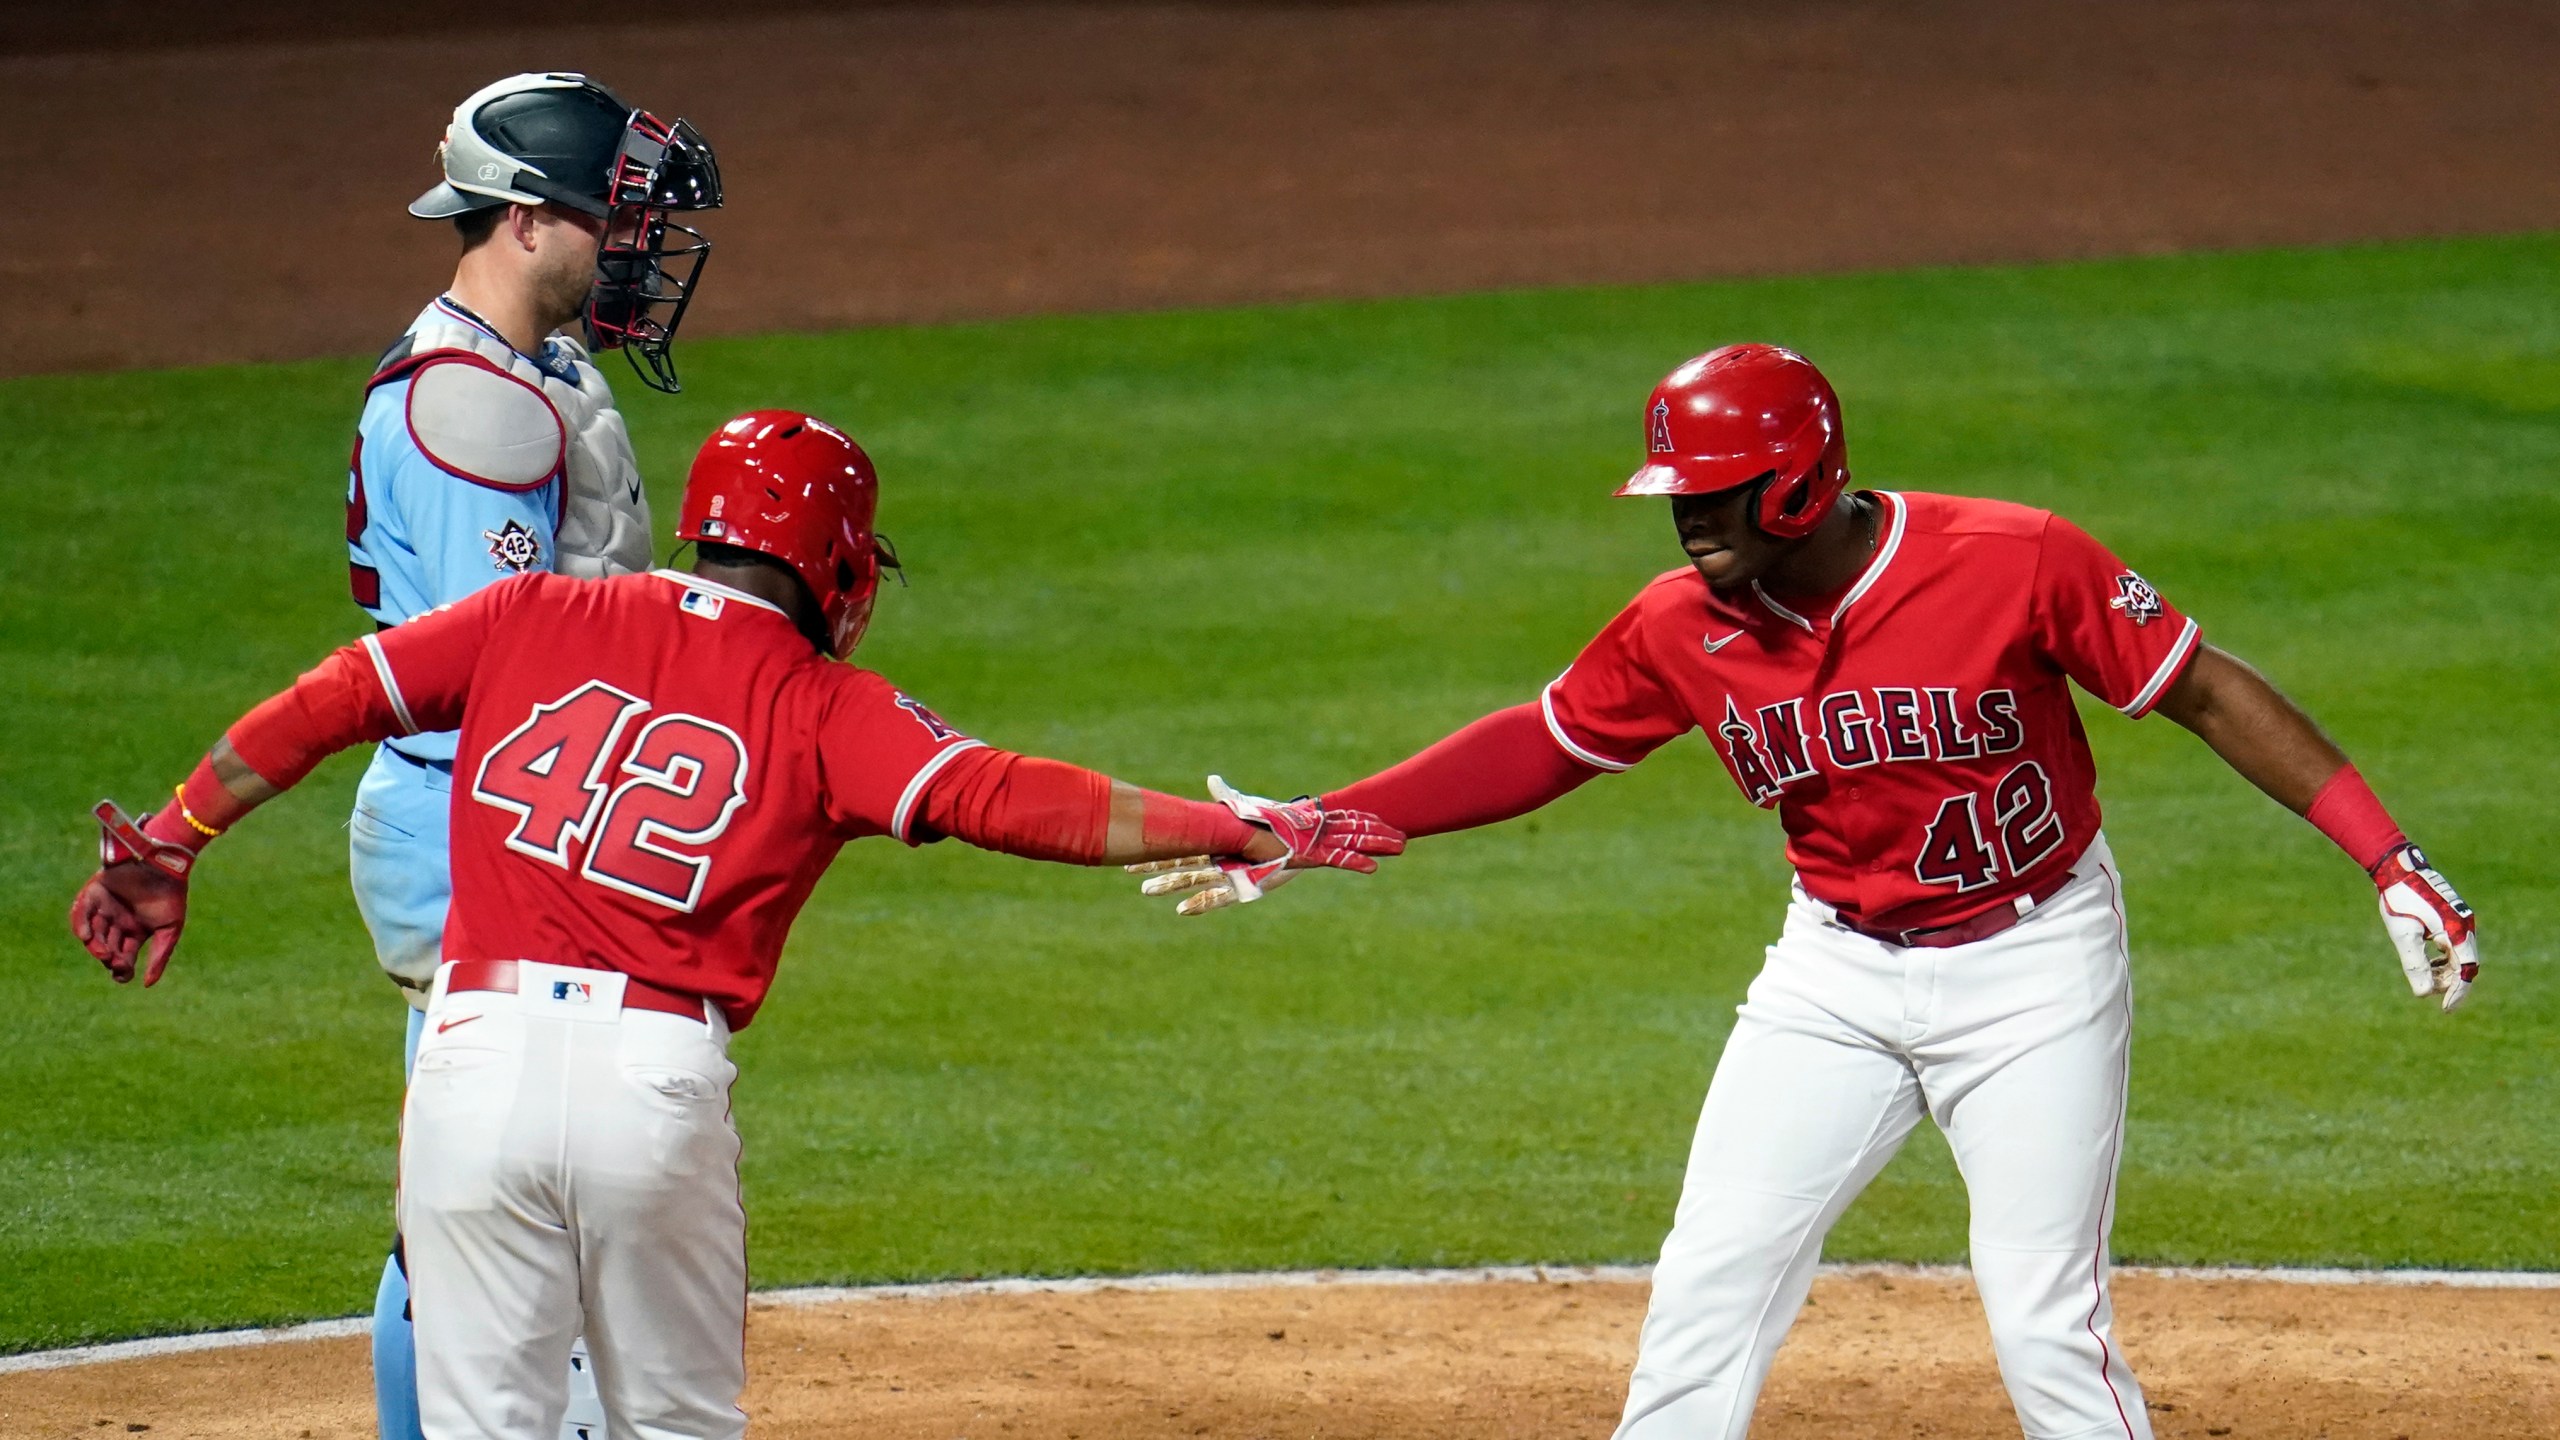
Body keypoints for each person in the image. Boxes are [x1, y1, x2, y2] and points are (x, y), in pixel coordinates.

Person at [1142, 344, 2480, 1440]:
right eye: (1677, 493)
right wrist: (1327, 820)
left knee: (2040, 1322)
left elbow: (2199, 684)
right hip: (1833, 977)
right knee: (1709, 1283)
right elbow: (1544, 740)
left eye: (1714, 493)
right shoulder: (1678, 623)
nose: (1686, 518)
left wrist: (2387, 854)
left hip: (2037, 970)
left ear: (1800, 482)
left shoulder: (2011, 558)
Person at [69, 411, 1403, 1440]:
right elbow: (1008, 797)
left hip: (465, 1062)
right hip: (650, 1081)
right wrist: (1235, 825)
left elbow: (325, 702)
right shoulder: (826, 702)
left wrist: (176, 835)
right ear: (833, 563)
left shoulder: (534, 610)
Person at [347, 70, 721, 1439]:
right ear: (521, 219)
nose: (631, 249)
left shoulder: (537, 369)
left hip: (528, 812)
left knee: (513, 1190)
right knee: (492, 1207)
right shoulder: (469, 411)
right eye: (610, 221)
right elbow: (489, 664)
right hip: (477, 821)